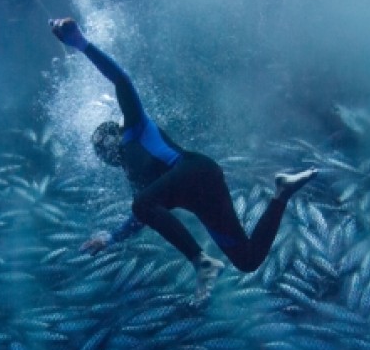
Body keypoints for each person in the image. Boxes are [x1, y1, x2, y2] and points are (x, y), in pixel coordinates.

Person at [50, 17, 316, 305]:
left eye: (103, 143)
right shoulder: (137, 182)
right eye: (101, 153)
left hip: (196, 170)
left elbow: (121, 80)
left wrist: (81, 44)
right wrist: (110, 239)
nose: (105, 153)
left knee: (141, 204)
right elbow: (141, 217)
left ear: (114, 133)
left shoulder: (135, 128)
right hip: (205, 192)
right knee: (247, 260)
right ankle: (282, 193)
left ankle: (200, 262)